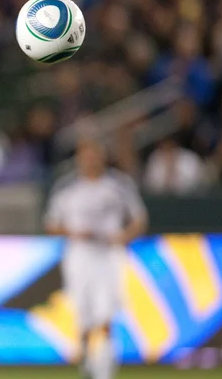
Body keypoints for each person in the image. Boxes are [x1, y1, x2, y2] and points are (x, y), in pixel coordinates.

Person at [44, 140, 148, 379]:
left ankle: (105, 370)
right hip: (80, 255)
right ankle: (87, 361)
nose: (90, 159)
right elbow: (51, 224)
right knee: (83, 315)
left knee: (106, 313)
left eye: (95, 154)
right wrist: (74, 233)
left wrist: (123, 237)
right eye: (86, 154)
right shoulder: (67, 187)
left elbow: (139, 219)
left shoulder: (119, 185)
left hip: (108, 254)